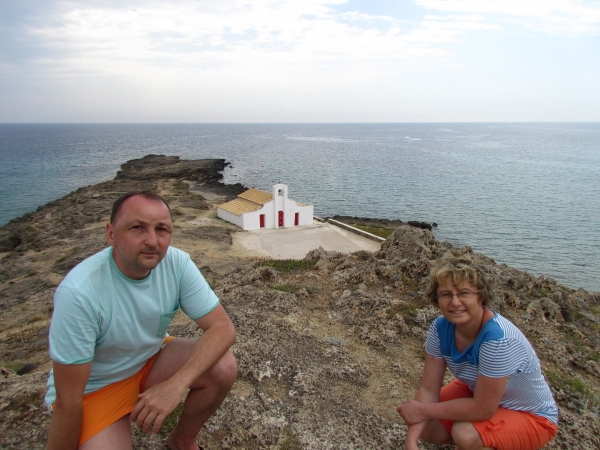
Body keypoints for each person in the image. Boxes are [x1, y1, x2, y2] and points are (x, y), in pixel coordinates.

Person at [45, 191, 238, 450]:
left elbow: (222, 329)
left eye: (162, 229)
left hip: (147, 364)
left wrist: (176, 385)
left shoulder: (176, 264)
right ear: (111, 233)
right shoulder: (79, 293)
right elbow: (69, 401)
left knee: (223, 366)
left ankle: (182, 441)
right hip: (94, 390)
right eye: (137, 228)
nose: (152, 241)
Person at [397, 257, 558, 450]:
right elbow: (428, 390)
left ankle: (489, 439)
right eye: (446, 294)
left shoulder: (498, 339)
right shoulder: (439, 328)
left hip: (533, 415)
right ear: (437, 298)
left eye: (464, 293)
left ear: (480, 297)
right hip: (478, 390)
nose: (455, 302)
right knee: (429, 428)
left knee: (464, 434)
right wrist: (411, 442)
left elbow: (482, 409)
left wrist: (422, 410)